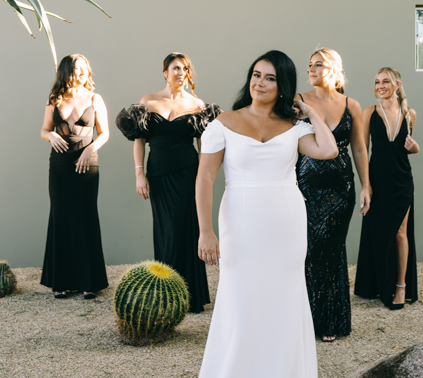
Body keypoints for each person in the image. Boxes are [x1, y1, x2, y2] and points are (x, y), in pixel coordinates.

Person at [196, 50, 338, 378]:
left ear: (282, 85)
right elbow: (204, 178)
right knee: (241, 297)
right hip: (240, 221)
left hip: (286, 221)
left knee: (284, 298)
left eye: (270, 78)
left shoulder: (294, 127)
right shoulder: (223, 123)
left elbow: (329, 150)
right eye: (256, 75)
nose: (260, 83)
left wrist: (310, 112)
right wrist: (206, 231)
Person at [115, 53, 220, 313]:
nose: (181, 72)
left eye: (185, 69)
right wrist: (139, 173)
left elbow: (204, 146)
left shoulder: (197, 105)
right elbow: (138, 140)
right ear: (165, 72)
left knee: (188, 229)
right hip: (159, 173)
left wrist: (204, 178)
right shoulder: (148, 100)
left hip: (188, 173)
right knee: (167, 231)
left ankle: (192, 296)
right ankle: (167, 293)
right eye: (175, 68)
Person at [294, 47, 371, 341]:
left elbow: (360, 148)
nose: (311, 70)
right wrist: (289, 183)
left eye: (319, 65)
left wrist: (366, 185)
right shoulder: (298, 102)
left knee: (332, 250)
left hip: (342, 188)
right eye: (310, 65)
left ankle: (330, 321)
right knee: (310, 250)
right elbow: (287, 144)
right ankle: (305, 319)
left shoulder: (351, 105)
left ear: (334, 69)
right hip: (306, 188)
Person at [39, 54, 110, 299]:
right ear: (66, 71)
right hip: (60, 165)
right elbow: (44, 130)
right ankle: (62, 281)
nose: (82, 73)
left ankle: (89, 281)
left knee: (85, 216)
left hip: (86, 164)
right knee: (60, 217)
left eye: (84, 69)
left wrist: (90, 149)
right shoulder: (54, 99)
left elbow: (104, 133)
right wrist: (52, 136)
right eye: (77, 69)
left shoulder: (94, 98)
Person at [354, 67, 420, 310]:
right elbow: (361, 151)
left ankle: (401, 287)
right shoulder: (368, 112)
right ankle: (380, 285)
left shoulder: (410, 114)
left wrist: (416, 149)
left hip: (402, 181)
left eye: (385, 81)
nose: (380, 86)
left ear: (397, 84)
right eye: (376, 82)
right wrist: (365, 186)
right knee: (380, 233)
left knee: (401, 233)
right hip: (377, 182)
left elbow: (408, 148)